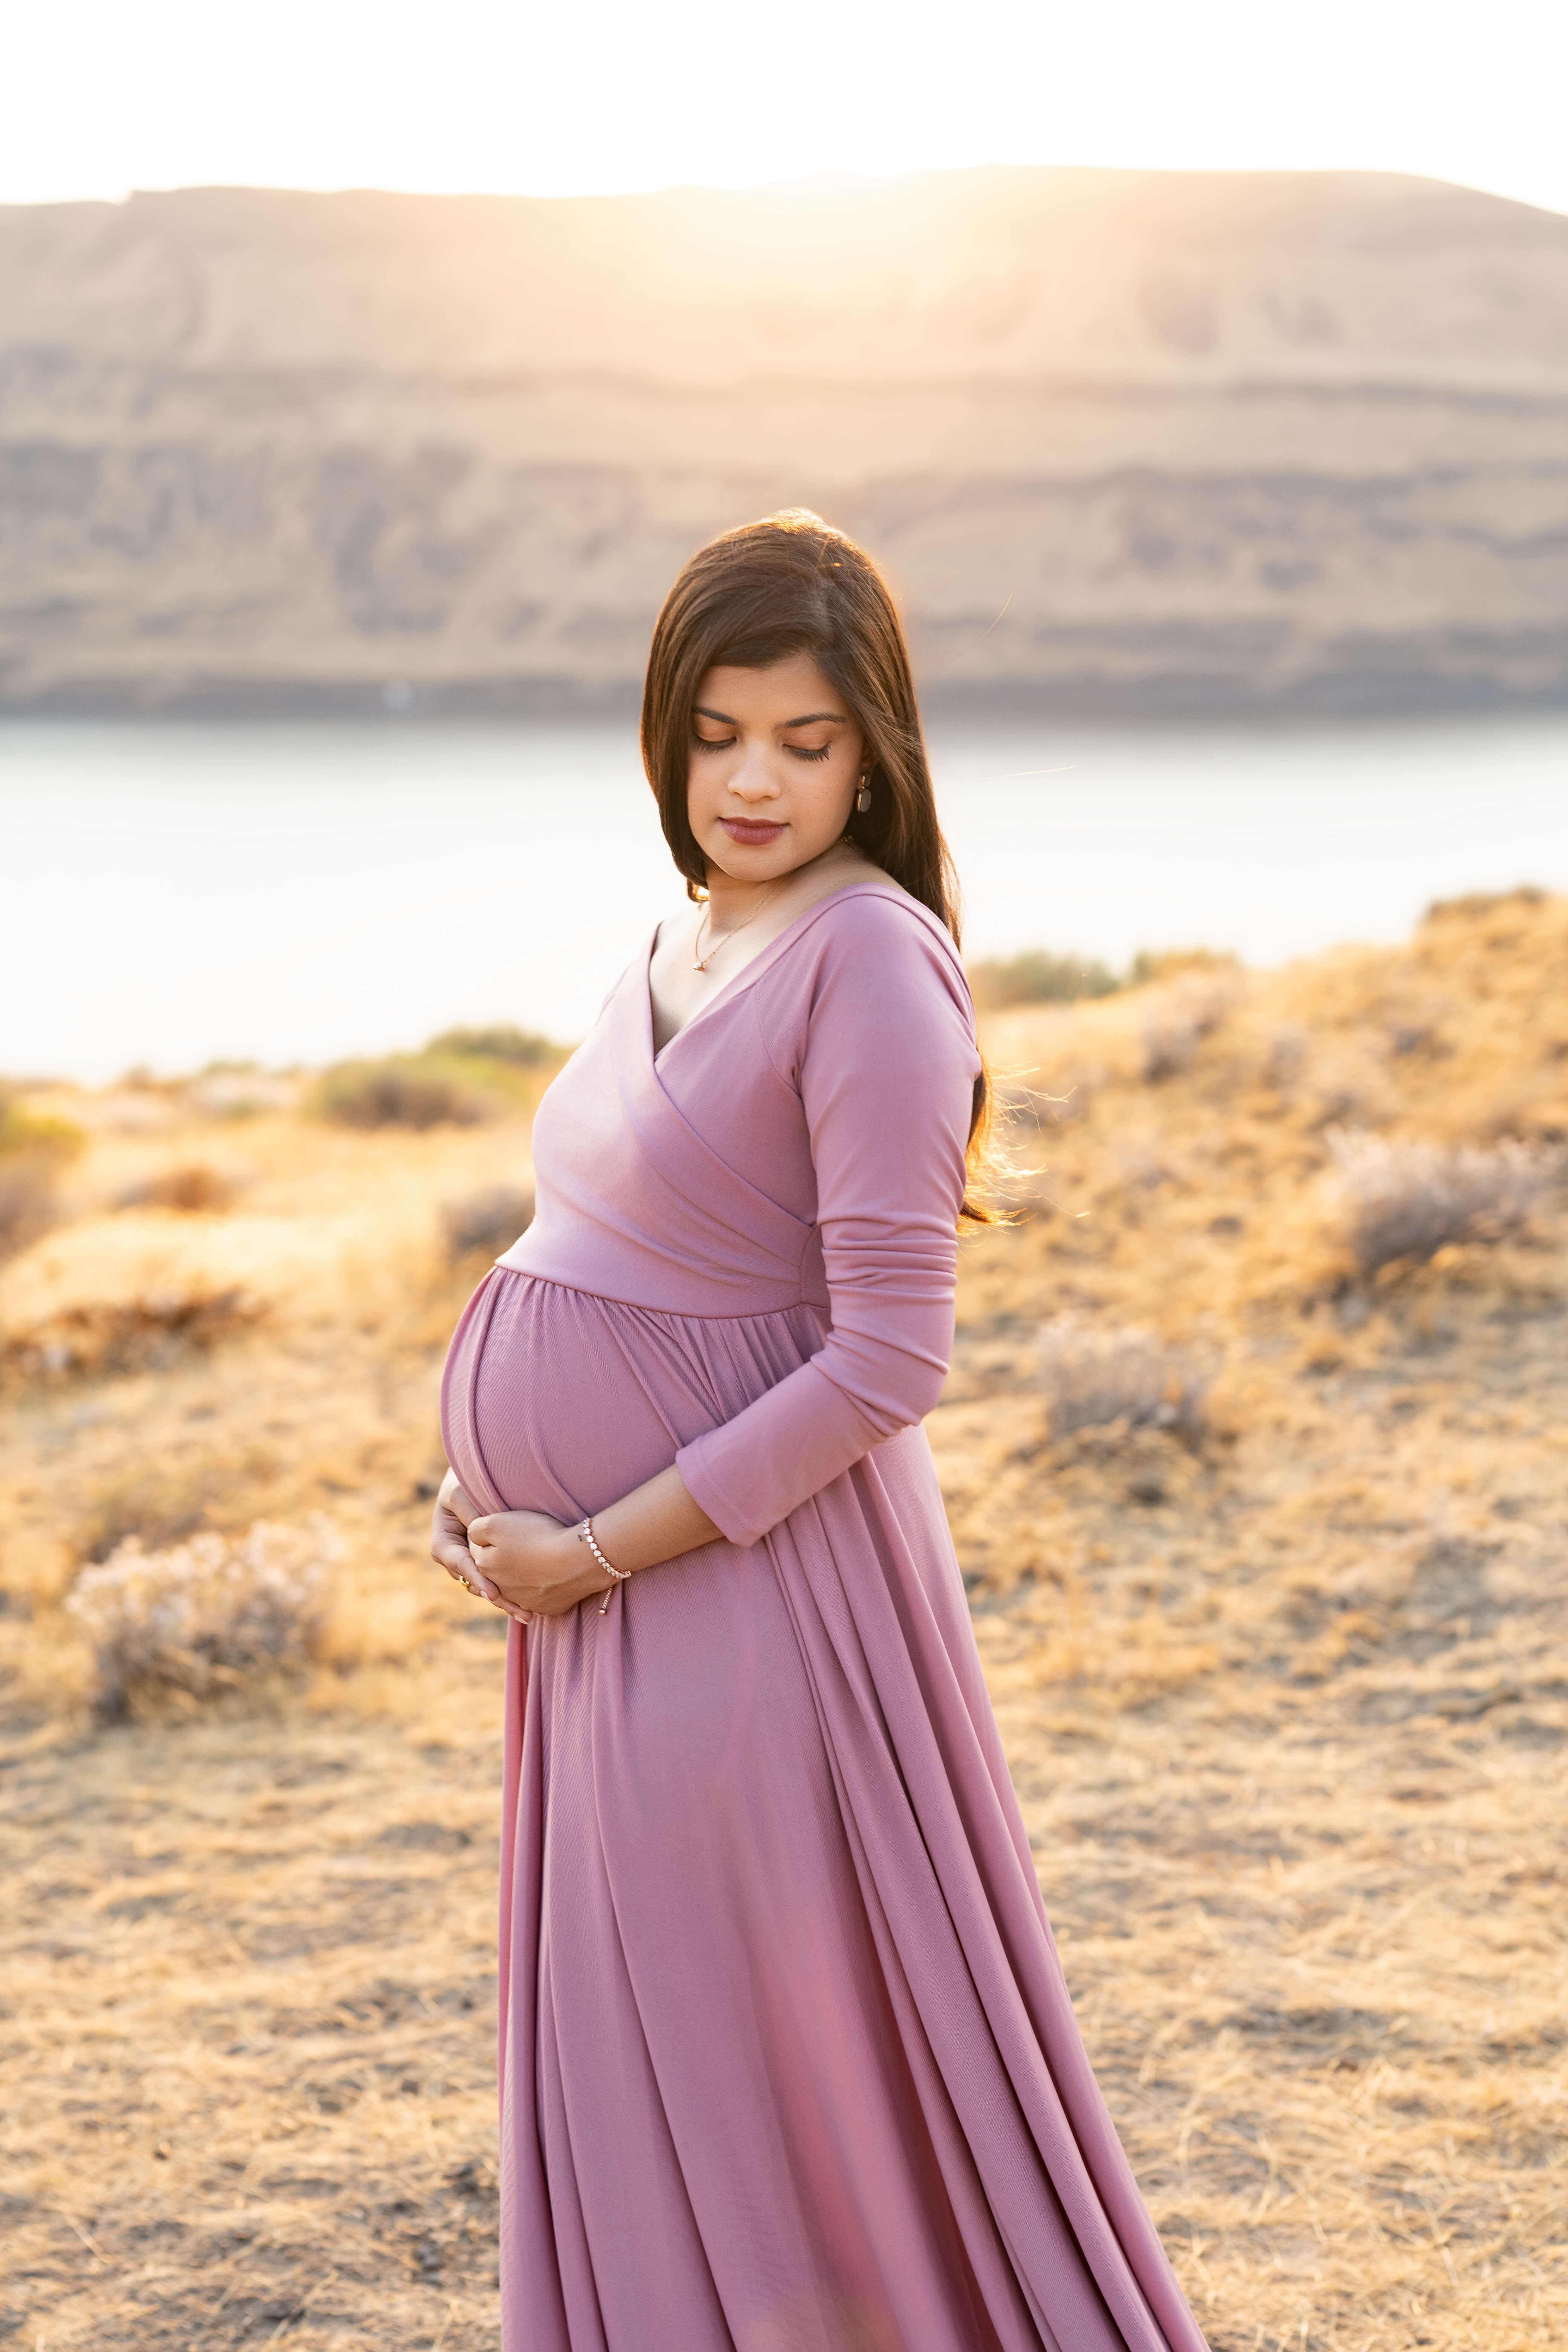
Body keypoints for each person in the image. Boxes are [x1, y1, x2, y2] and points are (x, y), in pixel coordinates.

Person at [430, 511, 1208, 2352]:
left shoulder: (868, 959)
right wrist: (480, 1493)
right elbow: (598, 1245)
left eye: (804, 738)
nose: (752, 782)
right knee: (652, 2055)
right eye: (714, 735)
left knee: (759, 2083)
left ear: (877, 749)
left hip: (745, 1602)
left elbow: (888, 1362)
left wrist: (590, 1543)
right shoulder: (689, 930)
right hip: (605, 1600)